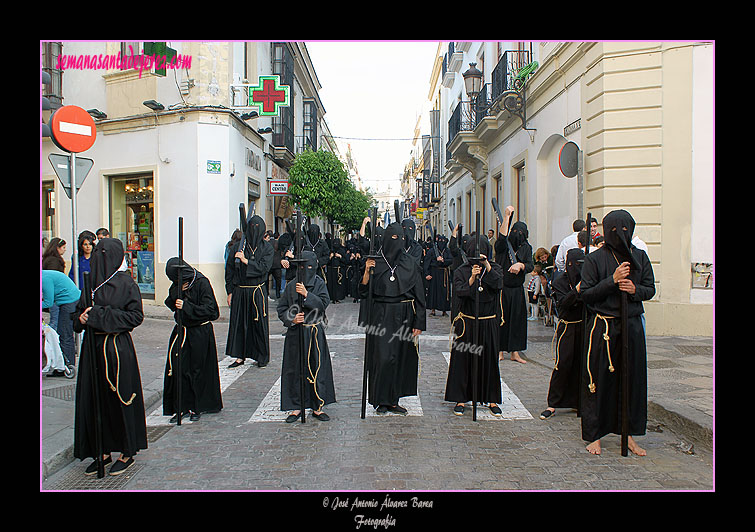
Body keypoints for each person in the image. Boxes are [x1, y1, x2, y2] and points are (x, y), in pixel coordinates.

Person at [579, 209, 655, 456]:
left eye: (625, 229)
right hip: (604, 327)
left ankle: (629, 434)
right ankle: (595, 435)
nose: (620, 235)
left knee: (631, 381)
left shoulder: (640, 258)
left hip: (631, 327)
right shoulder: (595, 259)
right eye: (615, 230)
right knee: (598, 382)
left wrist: (634, 288)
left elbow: (650, 289)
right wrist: (612, 280)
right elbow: (587, 294)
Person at [72, 237, 147, 476]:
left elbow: (135, 317)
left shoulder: (126, 283)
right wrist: (81, 319)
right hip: (92, 350)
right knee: (95, 401)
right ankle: (101, 450)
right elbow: (78, 315)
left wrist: (99, 315)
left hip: (116, 349)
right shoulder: (90, 281)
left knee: (120, 399)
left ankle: (127, 451)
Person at [360, 221, 426, 414]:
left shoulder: (409, 264)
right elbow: (364, 291)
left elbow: (420, 295)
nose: (396, 242)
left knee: (400, 358)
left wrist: (419, 322)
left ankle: (394, 400)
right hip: (381, 315)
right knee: (382, 358)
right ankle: (381, 400)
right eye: (393, 238)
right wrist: (366, 271)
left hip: (404, 315)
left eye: (401, 238)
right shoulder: (376, 262)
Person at [445, 234, 504, 416]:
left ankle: (491, 398)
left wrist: (487, 266)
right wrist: (472, 278)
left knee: (489, 360)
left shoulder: (495, 268)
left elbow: (498, 284)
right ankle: (461, 398)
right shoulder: (462, 270)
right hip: (468, 321)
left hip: (488, 321)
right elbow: (460, 292)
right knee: (463, 360)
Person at [277, 250, 336, 422]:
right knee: (295, 370)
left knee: (317, 368)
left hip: (314, 332)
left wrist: (307, 295)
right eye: (302, 267)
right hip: (296, 334)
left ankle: (318, 405)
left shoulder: (319, 283)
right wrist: (291, 318)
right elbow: (281, 309)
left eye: (309, 266)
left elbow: (323, 304)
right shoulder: (290, 286)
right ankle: (295, 406)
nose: (306, 270)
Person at [162, 257, 223, 423]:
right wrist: (178, 294)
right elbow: (171, 302)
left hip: (199, 332)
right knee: (179, 368)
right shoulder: (178, 283)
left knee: (197, 370)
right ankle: (180, 406)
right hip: (182, 331)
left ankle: (197, 406)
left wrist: (187, 306)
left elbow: (212, 312)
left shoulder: (202, 283)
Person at [540, 248, 585, 420]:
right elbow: (564, 303)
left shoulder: (587, 279)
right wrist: (578, 291)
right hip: (567, 327)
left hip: (584, 326)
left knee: (582, 364)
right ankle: (553, 403)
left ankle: (578, 401)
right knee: (563, 363)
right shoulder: (560, 281)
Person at [225, 215, 274, 368]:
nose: (254, 231)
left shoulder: (267, 248)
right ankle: (239, 356)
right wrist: (230, 291)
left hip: (257, 291)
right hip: (240, 291)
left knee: (258, 324)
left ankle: (261, 356)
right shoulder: (238, 247)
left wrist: (246, 261)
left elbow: (264, 268)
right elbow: (230, 271)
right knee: (239, 324)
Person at [494, 206, 533, 364]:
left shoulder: (526, 248)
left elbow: (531, 265)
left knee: (517, 321)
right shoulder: (504, 246)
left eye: (521, 233)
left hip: (517, 290)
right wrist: (506, 217)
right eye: (515, 232)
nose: (518, 236)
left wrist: (521, 266)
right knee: (501, 319)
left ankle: (515, 352)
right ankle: (499, 350)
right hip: (503, 289)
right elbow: (502, 238)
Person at [42, 269, 81, 371]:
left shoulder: (44, 279)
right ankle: (65, 365)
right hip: (70, 300)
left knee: (64, 334)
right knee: (64, 333)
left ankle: (67, 366)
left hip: (69, 302)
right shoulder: (45, 275)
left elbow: (48, 303)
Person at [42, 237, 67, 331]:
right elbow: (52, 278)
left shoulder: (48, 259)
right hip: (55, 294)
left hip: (52, 293)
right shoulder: (54, 261)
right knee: (55, 319)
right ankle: (51, 340)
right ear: (57, 248)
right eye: (63, 247)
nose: (65, 250)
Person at [424, 235, 452, 317]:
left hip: (444, 274)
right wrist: (427, 274)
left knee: (444, 292)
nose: (441, 243)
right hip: (434, 273)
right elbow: (427, 263)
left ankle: (444, 310)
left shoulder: (447, 251)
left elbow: (451, 260)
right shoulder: (432, 251)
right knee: (433, 292)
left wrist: (443, 260)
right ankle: (433, 310)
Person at [326, 238, 348, 303]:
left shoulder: (342, 251)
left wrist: (340, 257)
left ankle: (338, 297)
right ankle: (333, 298)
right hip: (331, 271)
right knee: (332, 284)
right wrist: (330, 257)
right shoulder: (330, 251)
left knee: (338, 284)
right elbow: (327, 261)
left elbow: (345, 261)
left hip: (339, 270)